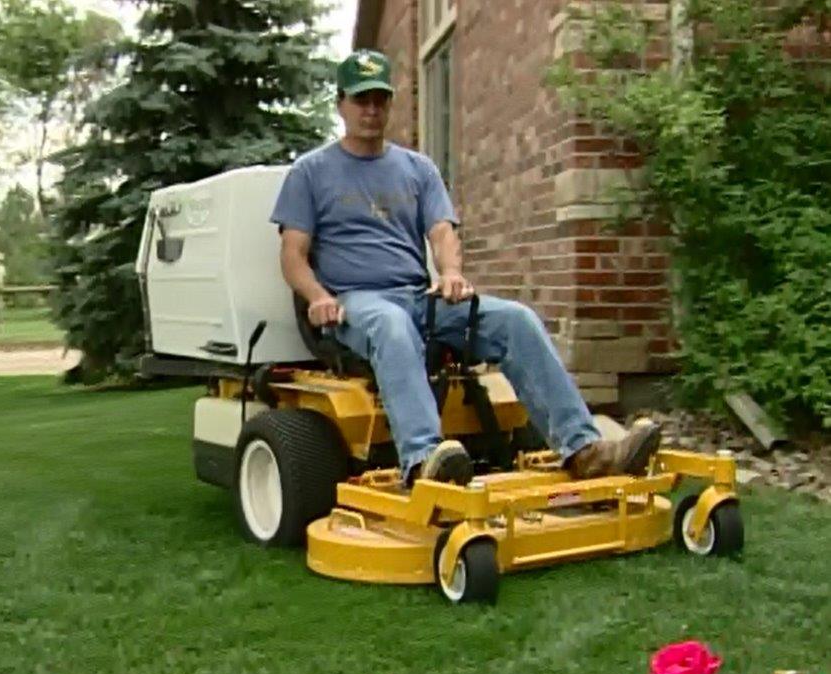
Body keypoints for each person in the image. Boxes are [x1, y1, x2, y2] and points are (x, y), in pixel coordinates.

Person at [269, 49, 661, 487]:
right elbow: (292, 254)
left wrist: (451, 273)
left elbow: (441, 232)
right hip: (355, 304)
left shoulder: (418, 169)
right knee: (392, 325)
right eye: (361, 100)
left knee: (515, 319)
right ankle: (425, 462)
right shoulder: (311, 172)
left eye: (380, 99)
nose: (372, 110)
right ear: (340, 104)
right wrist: (318, 297)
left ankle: (583, 449)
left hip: (419, 298)